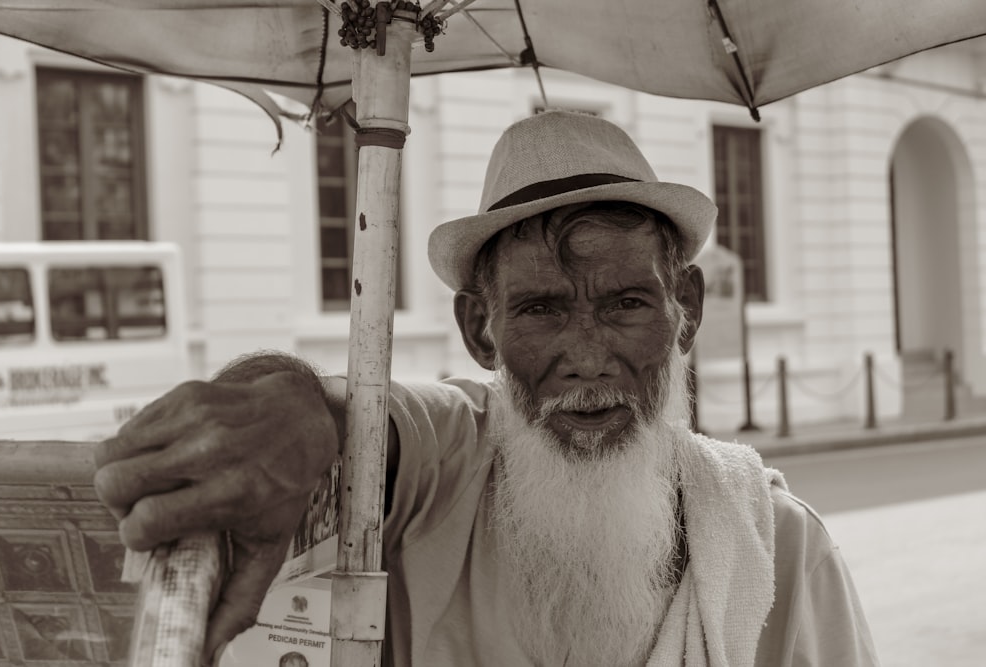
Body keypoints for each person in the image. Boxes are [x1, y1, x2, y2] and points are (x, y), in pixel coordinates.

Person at [94, 111, 879, 667]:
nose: (587, 356)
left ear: (686, 311)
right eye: (541, 309)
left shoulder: (781, 547)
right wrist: (284, 408)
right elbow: (359, 420)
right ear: (480, 330)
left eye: (626, 304)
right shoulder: (443, 470)